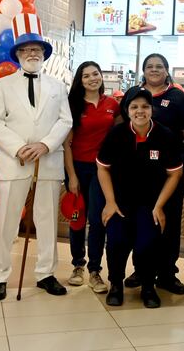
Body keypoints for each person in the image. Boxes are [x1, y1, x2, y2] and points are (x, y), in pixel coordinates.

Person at [0, 13, 73, 301]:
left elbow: (65, 121)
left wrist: (45, 145)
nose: (32, 53)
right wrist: (17, 147)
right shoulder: (3, 85)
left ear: (44, 55)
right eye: (26, 50)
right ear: (18, 54)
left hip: (48, 161)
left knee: (47, 220)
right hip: (14, 161)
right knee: (5, 221)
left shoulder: (58, 86)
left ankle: (46, 273)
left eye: (37, 50)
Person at [96, 86, 183, 308]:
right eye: (134, 107)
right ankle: (116, 284)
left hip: (150, 204)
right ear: (127, 110)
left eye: (145, 106)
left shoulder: (165, 136)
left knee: (147, 243)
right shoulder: (117, 135)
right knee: (116, 241)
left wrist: (159, 206)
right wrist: (110, 202)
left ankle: (148, 286)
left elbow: (174, 174)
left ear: (152, 109)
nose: (140, 111)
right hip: (121, 203)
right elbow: (103, 168)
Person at [123, 53, 184, 295]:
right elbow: (122, 130)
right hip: (137, 172)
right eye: (149, 66)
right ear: (143, 70)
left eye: (159, 66)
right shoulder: (133, 94)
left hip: (171, 172)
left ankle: (166, 273)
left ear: (167, 70)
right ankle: (140, 269)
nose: (154, 70)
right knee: (139, 220)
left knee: (169, 222)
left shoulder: (178, 97)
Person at [63, 61, 120, 293]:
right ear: (80, 80)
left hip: (103, 170)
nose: (92, 78)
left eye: (95, 73)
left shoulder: (112, 105)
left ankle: (95, 270)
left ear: (101, 76)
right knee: (77, 219)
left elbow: (118, 138)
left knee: (98, 221)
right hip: (78, 168)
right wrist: (72, 176)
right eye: (86, 76)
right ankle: (78, 265)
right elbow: (67, 144)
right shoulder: (73, 105)